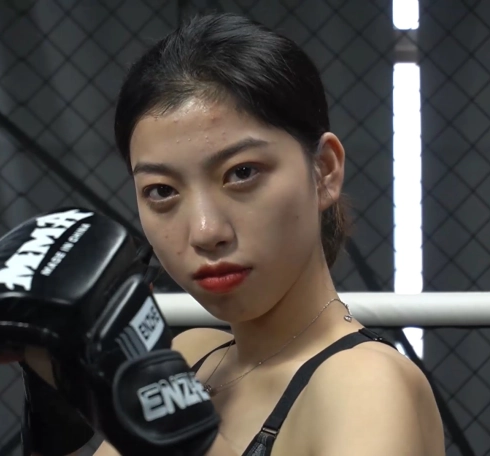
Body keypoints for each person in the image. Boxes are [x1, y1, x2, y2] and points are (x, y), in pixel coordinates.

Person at [89, 11, 446, 456]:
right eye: (162, 190)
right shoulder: (193, 356)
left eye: (242, 173)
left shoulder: (366, 382)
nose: (206, 232)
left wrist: (182, 433)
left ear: (324, 170)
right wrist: (54, 414)